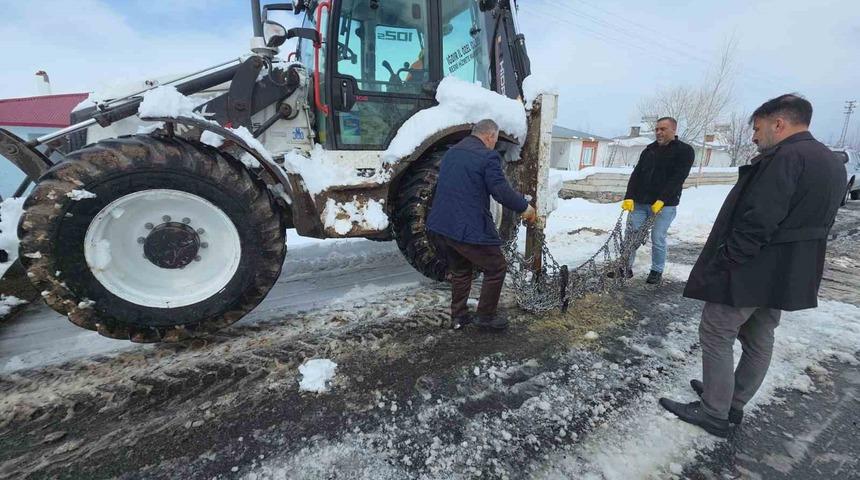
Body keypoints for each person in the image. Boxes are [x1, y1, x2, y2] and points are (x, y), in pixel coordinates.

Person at [659, 94, 847, 438]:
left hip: (753, 265)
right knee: (760, 335)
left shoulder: (785, 158)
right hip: (790, 271)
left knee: (716, 331)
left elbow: (759, 218)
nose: (754, 137)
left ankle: (714, 411)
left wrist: (727, 260)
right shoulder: (832, 161)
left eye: (758, 128)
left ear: (779, 123)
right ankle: (733, 401)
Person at [427, 119, 537, 331]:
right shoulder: (487, 156)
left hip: (441, 226)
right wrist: (525, 208)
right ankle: (485, 318)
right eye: (495, 140)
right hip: (466, 228)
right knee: (496, 268)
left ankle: (458, 317)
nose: (494, 144)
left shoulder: (452, 152)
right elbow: (500, 191)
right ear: (490, 136)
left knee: (461, 271)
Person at [613, 117, 694, 284]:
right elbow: (637, 174)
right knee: (631, 236)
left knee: (657, 237)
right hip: (641, 202)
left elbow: (678, 178)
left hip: (665, 205)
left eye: (663, 129)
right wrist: (629, 196)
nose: (658, 132)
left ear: (673, 130)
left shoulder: (684, 151)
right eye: (657, 129)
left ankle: (656, 271)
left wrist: (662, 200)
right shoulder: (649, 150)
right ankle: (625, 268)